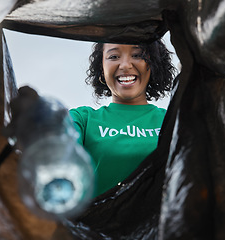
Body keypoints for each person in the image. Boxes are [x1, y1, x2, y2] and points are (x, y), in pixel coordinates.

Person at [69, 39, 176, 197]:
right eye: (113, 57)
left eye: (137, 55)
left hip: (167, 221)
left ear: (152, 64)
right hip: (96, 221)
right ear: (101, 67)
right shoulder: (82, 119)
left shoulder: (173, 121)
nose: (125, 65)